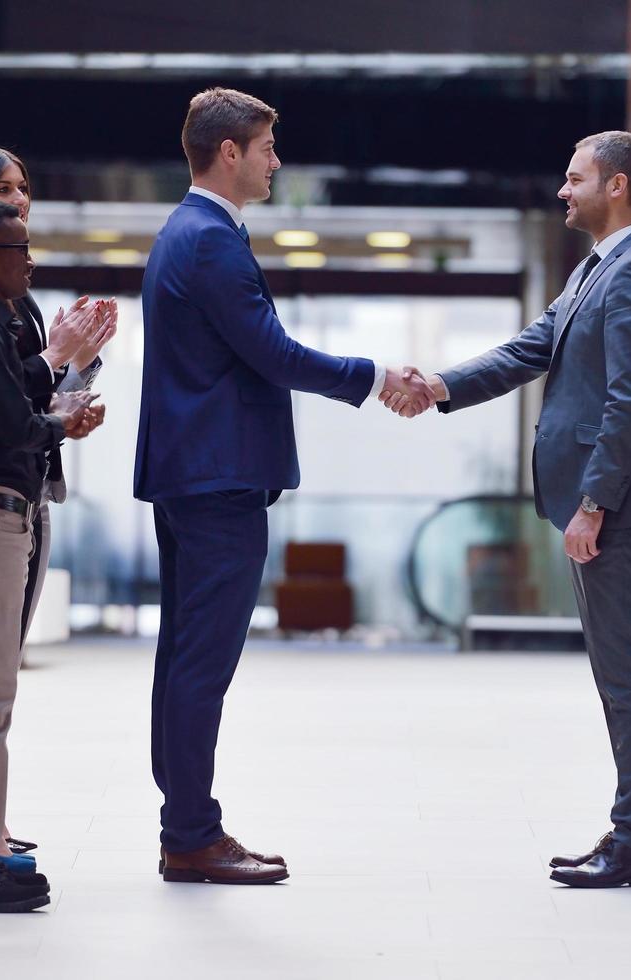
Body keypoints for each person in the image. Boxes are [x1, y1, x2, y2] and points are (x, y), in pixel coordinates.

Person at [133, 87, 432, 885]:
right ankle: (191, 835)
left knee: (184, 660)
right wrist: (371, 376)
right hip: (217, 477)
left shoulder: (184, 232)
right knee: (201, 664)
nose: (275, 161)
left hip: (193, 474)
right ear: (227, 152)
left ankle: (185, 828)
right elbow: (271, 351)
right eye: (266, 147)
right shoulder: (210, 241)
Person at [392, 130, 631, 888]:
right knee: (617, 671)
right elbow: (528, 349)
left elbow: (629, 403)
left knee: (626, 673)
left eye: (574, 177)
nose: (561, 190)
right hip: (594, 503)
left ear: (615, 186)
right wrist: (439, 386)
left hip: (610, 505)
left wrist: (594, 504)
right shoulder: (595, 270)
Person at [0, 146, 114, 869]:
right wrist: (57, 376)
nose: (20, 201)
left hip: (20, 489)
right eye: (3, 192)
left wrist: (76, 362)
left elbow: (29, 389)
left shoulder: (7, 291)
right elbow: (4, 398)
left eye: (24, 189)